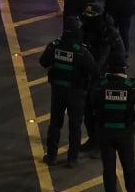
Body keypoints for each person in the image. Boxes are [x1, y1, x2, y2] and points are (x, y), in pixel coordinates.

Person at [92, 56, 135, 192]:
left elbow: (91, 107)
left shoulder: (100, 87)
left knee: (108, 168)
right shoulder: (133, 88)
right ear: (123, 70)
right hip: (125, 133)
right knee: (129, 166)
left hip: (105, 133)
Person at [39, 15, 99, 167]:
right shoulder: (81, 51)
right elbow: (94, 71)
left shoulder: (54, 45)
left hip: (58, 90)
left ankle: (51, 155)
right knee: (75, 126)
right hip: (76, 93)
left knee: (55, 123)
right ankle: (72, 159)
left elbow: (43, 62)